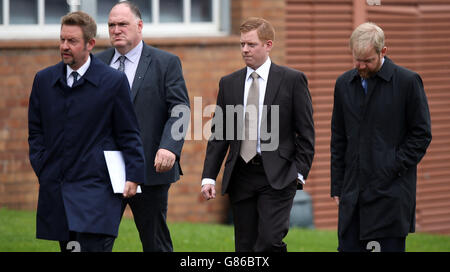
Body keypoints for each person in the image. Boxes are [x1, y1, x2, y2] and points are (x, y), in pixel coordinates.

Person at [28, 11, 146, 252]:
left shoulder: (113, 82)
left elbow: (128, 132)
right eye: (62, 40)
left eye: (72, 41)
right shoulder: (44, 80)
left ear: (90, 44)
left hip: (97, 192)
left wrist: (134, 175)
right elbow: (35, 131)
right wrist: (43, 165)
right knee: (71, 249)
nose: (64, 46)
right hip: (59, 190)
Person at [201, 17, 315, 252]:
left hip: (279, 176)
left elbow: (306, 134)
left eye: (251, 44)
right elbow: (220, 134)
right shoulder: (229, 83)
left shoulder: (292, 80)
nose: (245, 50)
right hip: (241, 174)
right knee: (245, 246)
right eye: (242, 44)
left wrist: (299, 174)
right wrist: (209, 177)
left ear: (268, 45)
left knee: (270, 242)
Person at [96, 1, 190, 252]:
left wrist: (169, 147)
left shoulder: (165, 63)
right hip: (102, 171)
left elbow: (180, 110)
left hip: (150, 168)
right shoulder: (95, 64)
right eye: (111, 25)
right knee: (95, 242)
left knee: (155, 243)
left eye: (122, 24)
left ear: (139, 26)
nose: (116, 30)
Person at [330, 22, 432, 252]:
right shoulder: (343, 84)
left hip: (391, 196)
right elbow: (338, 139)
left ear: (383, 51)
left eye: (367, 60)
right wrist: (337, 185)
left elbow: (421, 134)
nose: (361, 66)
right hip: (352, 197)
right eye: (356, 59)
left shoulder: (408, 82)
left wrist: (390, 166)